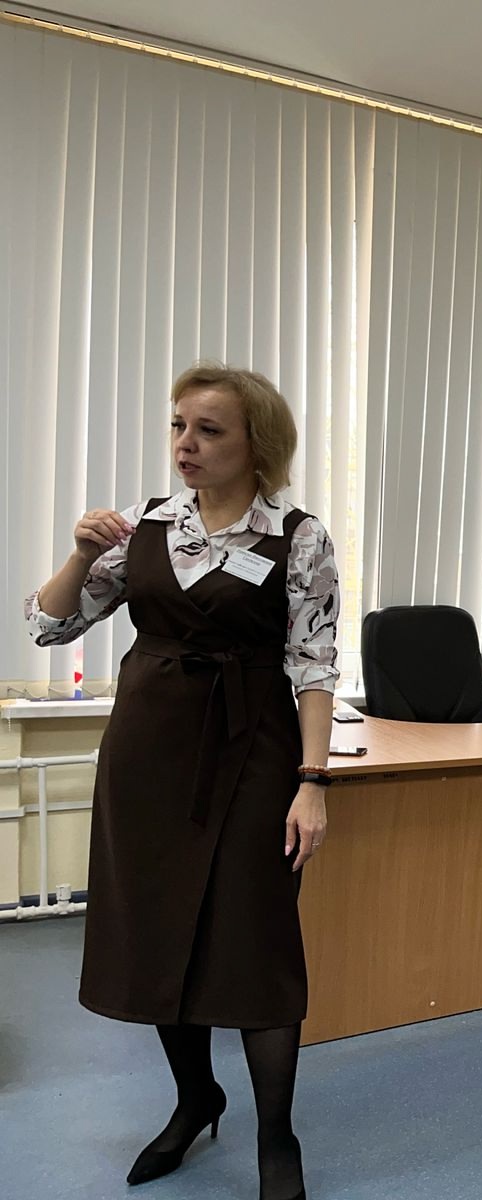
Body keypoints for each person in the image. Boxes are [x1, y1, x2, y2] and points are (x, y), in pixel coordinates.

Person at [24, 363, 340, 1200]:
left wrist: (313, 782)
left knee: (256, 941)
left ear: (256, 444)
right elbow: (50, 626)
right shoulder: (142, 527)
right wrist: (81, 553)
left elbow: (313, 666)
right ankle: (196, 1098)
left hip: (252, 752)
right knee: (161, 930)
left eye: (208, 429)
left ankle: (276, 1137)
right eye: (178, 426)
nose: (185, 444)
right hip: (148, 758)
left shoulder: (298, 537)